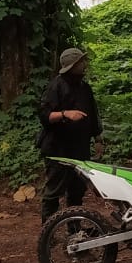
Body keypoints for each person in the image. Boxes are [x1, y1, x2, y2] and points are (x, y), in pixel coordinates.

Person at [37, 47, 103, 222]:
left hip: (79, 149)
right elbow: (45, 116)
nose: (84, 64)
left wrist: (97, 137)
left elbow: (93, 113)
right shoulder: (55, 86)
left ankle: (74, 231)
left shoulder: (84, 87)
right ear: (72, 65)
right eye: (81, 61)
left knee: (77, 192)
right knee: (53, 192)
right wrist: (65, 114)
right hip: (58, 149)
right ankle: (48, 230)